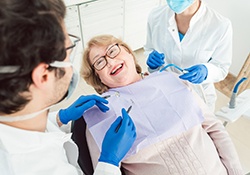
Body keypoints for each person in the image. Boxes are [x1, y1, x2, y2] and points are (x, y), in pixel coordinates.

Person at [0, 0, 136, 175]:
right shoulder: (25, 167)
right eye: (68, 51)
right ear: (43, 76)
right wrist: (109, 162)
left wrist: (59, 118)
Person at [81, 34, 243, 175]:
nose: (110, 61)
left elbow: (215, 129)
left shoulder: (172, 80)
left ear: (129, 53)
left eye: (112, 51)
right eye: (99, 62)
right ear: (98, 78)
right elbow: (105, 169)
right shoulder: (101, 114)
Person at [144, 0, 233, 111]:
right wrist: (151, 61)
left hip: (198, 97)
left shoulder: (220, 25)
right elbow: (149, 48)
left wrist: (206, 71)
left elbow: (221, 67)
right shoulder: (156, 16)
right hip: (164, 90)